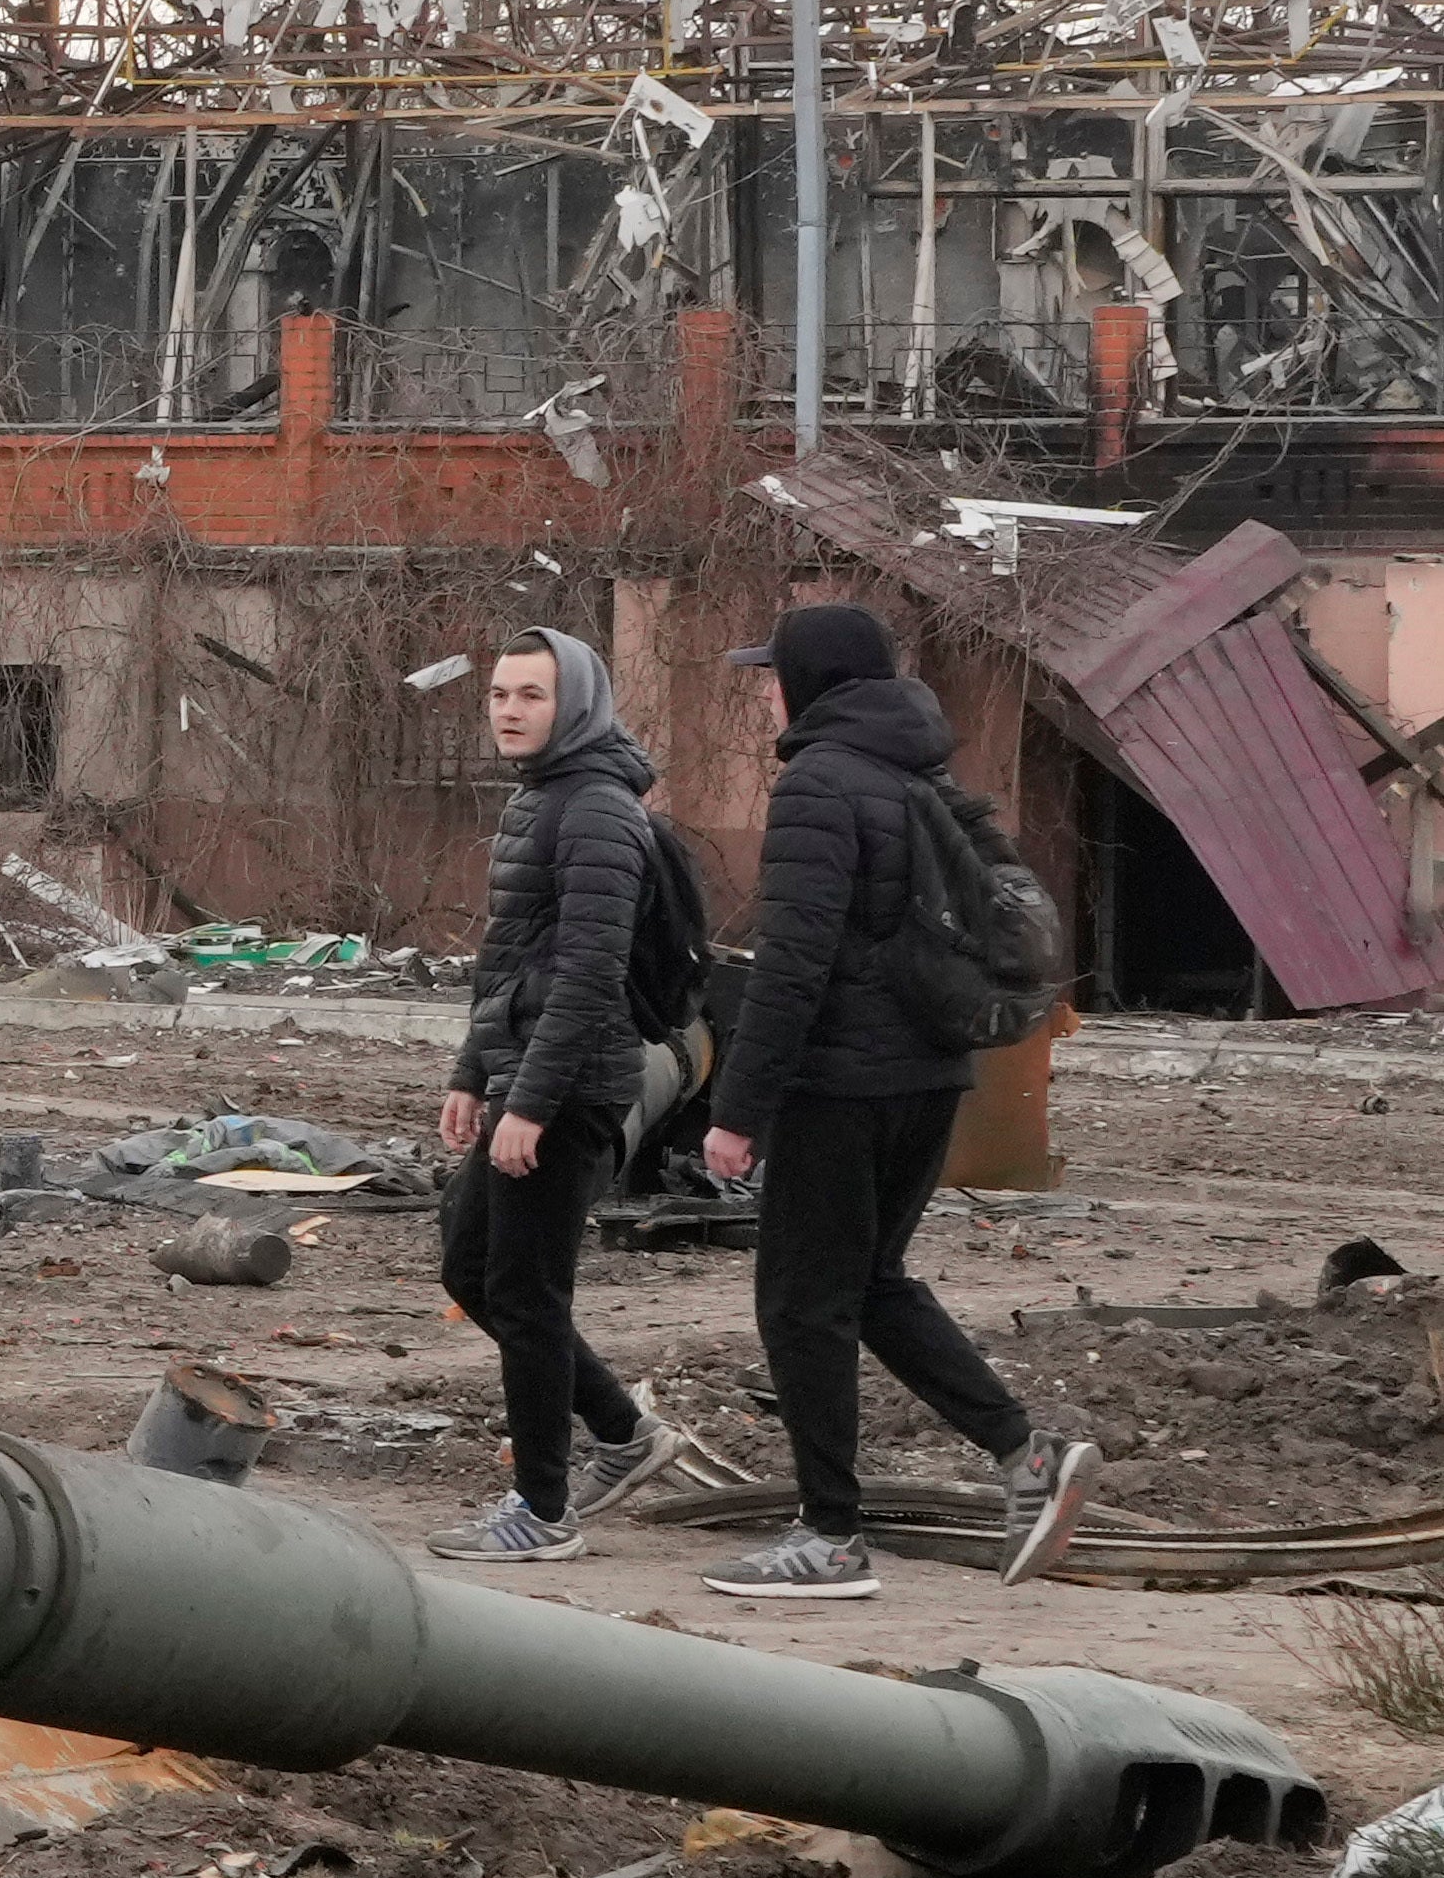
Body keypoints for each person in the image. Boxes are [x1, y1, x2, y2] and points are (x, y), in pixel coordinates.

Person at [693, 599, 1092, 1603]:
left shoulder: (819, 782)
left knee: (800, 1305)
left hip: (842, 1083)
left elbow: (793, 962)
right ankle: (1025, 1455)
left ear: (813, 679)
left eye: (774, 669)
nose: (767, 688)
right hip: (931, 1075)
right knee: (871, 1283)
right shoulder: (918, 770)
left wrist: (737, 1110)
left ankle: (830, 1536)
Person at [433, 625, 672, 1562]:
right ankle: (624, 1429)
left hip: (572, 1088)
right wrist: (470, 1073)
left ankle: (544, 1511)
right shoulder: (540, 800)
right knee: (471, 1268)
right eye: (499, 694)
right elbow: (510, 961)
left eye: (530, 695)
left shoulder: (599, 810)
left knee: (527, 1295)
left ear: (573, 703)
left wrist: (526, 1103)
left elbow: (588, 976)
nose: (508, 711)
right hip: (526, 1073)